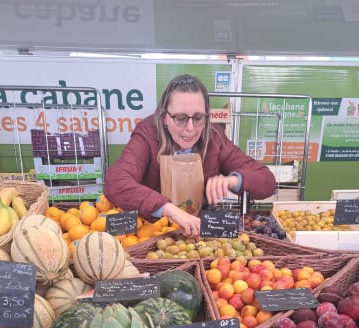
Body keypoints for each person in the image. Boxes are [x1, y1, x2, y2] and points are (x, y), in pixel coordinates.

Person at [104, 74, 277, 237]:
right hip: (153, 231)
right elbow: (116, 181)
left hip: (195, 234)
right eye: (180, 118)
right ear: (165, 117)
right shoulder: (147, 133)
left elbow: (267, 181)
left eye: (198, 117)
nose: (190, 128)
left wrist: (232, 180)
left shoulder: (214, 137)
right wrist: (169, 209)